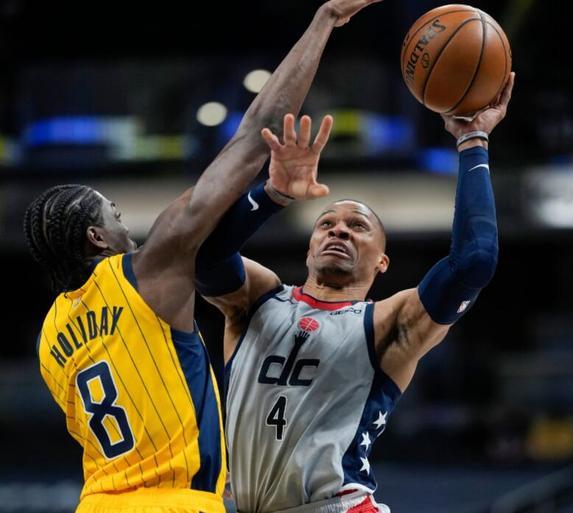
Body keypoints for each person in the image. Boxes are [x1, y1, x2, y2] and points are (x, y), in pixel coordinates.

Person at [22, 2, 381, 512]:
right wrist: (325, 20)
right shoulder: (145, 271)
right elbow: (255, 132)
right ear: (97, 238)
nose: (126, 226)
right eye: (114, 215)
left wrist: (271, 197)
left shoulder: (49, 339)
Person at [195, 73, 516, 513]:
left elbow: (474, 262)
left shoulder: (386, 322)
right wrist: (272, 195)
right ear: (309, 247)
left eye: (357, 226)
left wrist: (472, 140)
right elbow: (202, 256)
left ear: (382, 262)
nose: (339, 230)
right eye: (326, 223)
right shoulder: (258, 300)